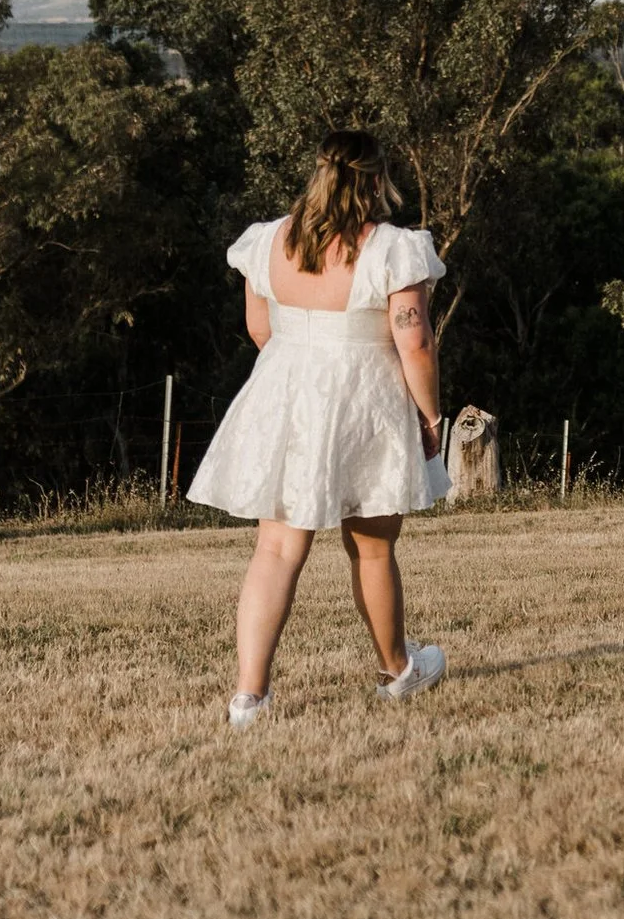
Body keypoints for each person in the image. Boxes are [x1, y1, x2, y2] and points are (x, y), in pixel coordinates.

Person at [187, 130, 452, 727]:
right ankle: (397, 670)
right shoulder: (393, 249)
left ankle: (249, 697)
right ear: (377, 181)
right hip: (367, 401)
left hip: (287, 396)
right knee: (373, 546)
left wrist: (301, 380)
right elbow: (414, 341)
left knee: (277, 547)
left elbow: (260, 328)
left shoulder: (270, 241)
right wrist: (430, 415)